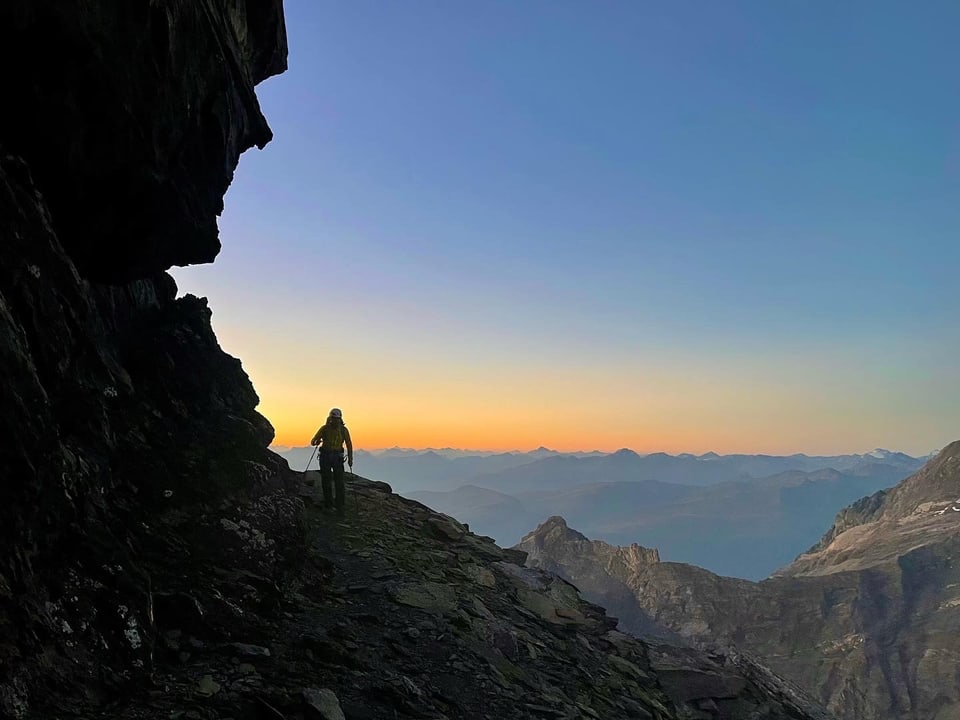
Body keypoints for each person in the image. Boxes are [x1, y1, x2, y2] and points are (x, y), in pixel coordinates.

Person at [311, 408, 353, 515]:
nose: (335, 421)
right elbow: (313, 441)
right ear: (331, 418)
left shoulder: (331, 429)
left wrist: (351, 458)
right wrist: (317, 441)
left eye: (336, 419)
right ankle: (333, 505)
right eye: (334, 419)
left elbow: (349, 444)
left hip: (331, 457)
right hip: (331, 456)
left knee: (336, 481)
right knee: (328, 481)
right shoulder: (328, 429)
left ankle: (336, 505)